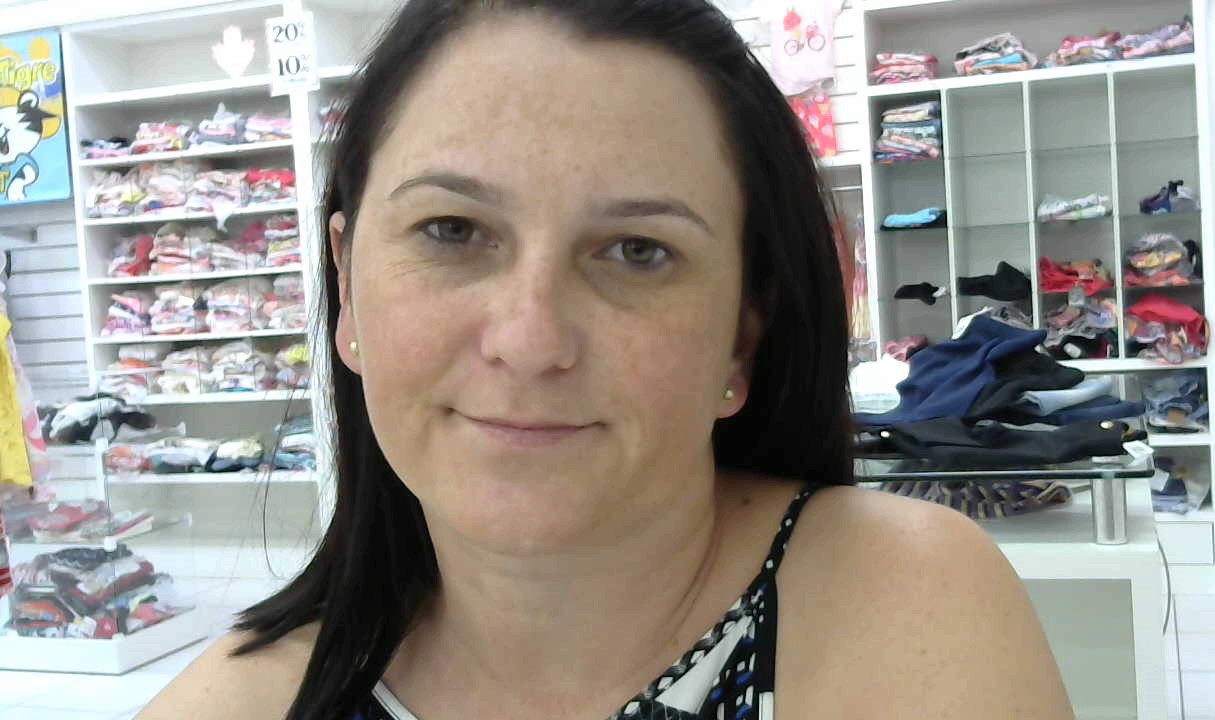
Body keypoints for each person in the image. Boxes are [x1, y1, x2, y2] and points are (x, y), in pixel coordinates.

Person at [139, 1, 1074, 718]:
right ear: (348, 287)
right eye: (452, 230)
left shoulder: (903, 612)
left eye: (637, 251)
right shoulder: (240, 704)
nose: (529, 339)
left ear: (741, 334)